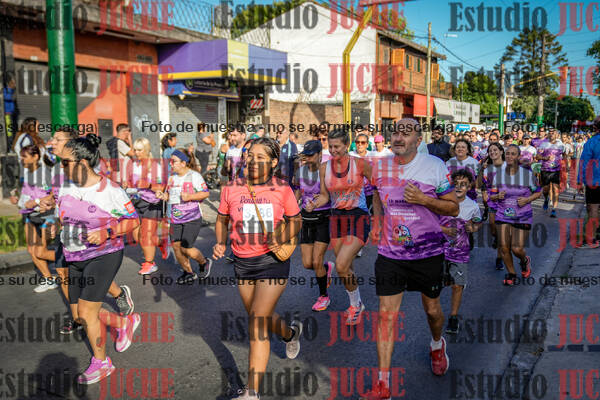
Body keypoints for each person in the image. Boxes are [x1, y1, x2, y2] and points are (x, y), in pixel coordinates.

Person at [363, 118, 459, 400]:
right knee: (386, 315)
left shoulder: (434, 166)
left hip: (428, 253)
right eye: (395, 132)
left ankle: (437, 343)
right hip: (391, 254)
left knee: (432, 311)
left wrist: (424, 199)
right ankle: (383, 384)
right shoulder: (379, 166)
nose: (398, 137)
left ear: (418, 141)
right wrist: (377, 221)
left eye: (406, 133)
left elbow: (453, 208)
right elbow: (377, 193)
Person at [213, 137, 303, 400]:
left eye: (260, 157)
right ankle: (290, 333)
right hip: (242, 263)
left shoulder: (282, 189)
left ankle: (251, 393)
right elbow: (221, 219)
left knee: (258, 322)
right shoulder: (231, 188)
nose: (252, 161)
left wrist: (281, 236)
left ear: (273, 162)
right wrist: (220, 242)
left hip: (272, 262)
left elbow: (296, 220)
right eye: (250, 155)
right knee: (261, 316)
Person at [57, 134, 141, 384]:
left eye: (65, 162)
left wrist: (107, 231)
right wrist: (47, 205)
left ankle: (102, 363)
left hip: (104, 253)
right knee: (79, 315)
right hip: (74, 254)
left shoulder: (111, 190)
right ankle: (123, 323)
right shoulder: (66, 185)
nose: (61, 166)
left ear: (82, 163)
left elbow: (133, 221)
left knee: (86, 312)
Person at [41, 127, 134, 334]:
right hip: (67, 234)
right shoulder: (57, 169)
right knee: (64, 273)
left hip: (92, 240)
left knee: (92, 275)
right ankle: (78, 316)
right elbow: (57, 197)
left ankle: (116, 296)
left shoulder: (84, 166)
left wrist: (106, 230)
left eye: (58, 139)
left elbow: (101, 194)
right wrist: (49, 202)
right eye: (53, 138)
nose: (52, 142)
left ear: (71, 143)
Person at [307, 128, 372, 325]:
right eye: (330, 146)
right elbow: (325, 196)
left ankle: (356, 305)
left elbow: (379, 186)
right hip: (336, 218)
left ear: (346, 145)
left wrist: (383, 214)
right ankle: (354, 303)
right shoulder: (324, 168)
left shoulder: (360, 164)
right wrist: (313, 204)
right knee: (347, 267)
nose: (333, 150)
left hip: (358, 215)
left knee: (342, 265)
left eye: (337, 146)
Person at [156, 148, 212, 283]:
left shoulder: (194, 176)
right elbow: (170, 196)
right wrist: (163, 196)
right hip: (175, 218)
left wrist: (190, 196)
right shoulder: (172, 178)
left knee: (186, 249)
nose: (171, 164)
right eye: (170, 161)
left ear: (183, 163)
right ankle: (188, 273)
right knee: (176, 247)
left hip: (192, 219)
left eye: (174, 161)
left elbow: (205, 193)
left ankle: (204, 262)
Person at [489, 145, 541, 285]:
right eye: (507, 154)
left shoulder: (527, 175)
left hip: (522, 215)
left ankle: (524, 260)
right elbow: (491, 196)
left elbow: (538, 192)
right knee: (504, 247)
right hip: (503, 214)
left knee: (516, 249)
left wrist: (527, 200)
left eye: (513, 154)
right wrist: (497, 196)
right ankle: (511, 273)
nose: (510, 156)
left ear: (518, 157)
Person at [294, 140, 335, 311]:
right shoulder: (300, 171)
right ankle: (326, 268)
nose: (308, 158)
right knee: (307, 263)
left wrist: (315, 204)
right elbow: (298, 190)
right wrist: (292, 205)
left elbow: (328, 195)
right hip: (306, 219)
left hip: (322, 218)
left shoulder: (326, 171)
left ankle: (324, 296)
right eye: (306, 155)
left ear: (319, 155)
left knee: (317, 261)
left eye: (311, 155)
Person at [10, 145, 57, 293]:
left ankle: (74, 261)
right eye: (21, 157)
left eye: (25, 156)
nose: (22, 159)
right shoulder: (27, 173)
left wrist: (37, 202)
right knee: (32, 250)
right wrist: (17, 200)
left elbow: (54, 194)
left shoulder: (44, 173)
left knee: (41, 252)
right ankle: (49, 280)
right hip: (29, 215)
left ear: (35, 157)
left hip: (45, 216)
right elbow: (27, 196)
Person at [440, 169, 482, 334]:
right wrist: (443, 229)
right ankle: (434, 313)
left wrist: (473, 228)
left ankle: (453, 317)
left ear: (469, 187)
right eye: (456, 183)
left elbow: (477, 222)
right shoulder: (442, 202)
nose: (459, 187)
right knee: (436, 285)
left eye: (463, 184)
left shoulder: (472, 206)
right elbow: (430, 222)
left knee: (457, 286)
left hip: (460, 251)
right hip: (438, 250)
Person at [123, 138, 167, 275]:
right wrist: (126, 184)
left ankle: (150, 264)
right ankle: (161, 242)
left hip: (152, 203)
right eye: (135, 150)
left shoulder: (155, 167)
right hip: (136, 202)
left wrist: (148, 185)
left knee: (146, 236)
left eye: (140, 150)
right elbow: (130, 182)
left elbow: (162, 187)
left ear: (147, 150)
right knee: (136, 236)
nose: (136, 153)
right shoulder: (133, 164)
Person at [480, 143, 506, 270]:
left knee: (501, 231)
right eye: (490, 151)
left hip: (506, 201)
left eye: (495, 150)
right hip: (492, 200)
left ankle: (499, 258)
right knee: (492, 227)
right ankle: (496, 238)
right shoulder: (487, 168)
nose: (493, 152)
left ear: (501, 152)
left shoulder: (508, 166)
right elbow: (484, 184)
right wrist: (484, 193)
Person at [577, 116, 600, 247]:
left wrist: (580, 181)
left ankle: (591, 238)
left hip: (594, 181)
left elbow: (584, 164)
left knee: (593, 209)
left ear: (595, 127)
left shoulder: (591, 142)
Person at [537, 129, 564, 218]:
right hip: (545, 169)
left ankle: (554, 209)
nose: (551, 134)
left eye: (553, 133)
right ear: (548, 135)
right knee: (546, 189)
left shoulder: (560, 145)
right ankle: (546, 199)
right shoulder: (543, 144)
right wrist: (545, 158)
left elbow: (565, 155)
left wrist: (566, 165)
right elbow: (537, 156)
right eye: (550, 133)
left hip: (556, 170)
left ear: (557, 135)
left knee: (556, 189)